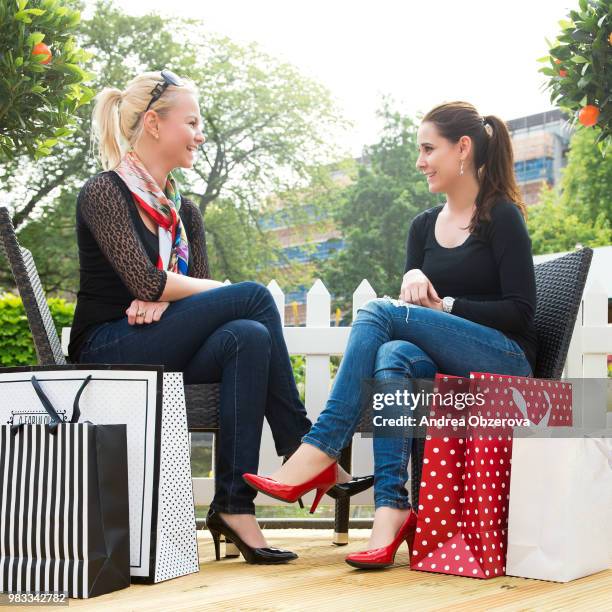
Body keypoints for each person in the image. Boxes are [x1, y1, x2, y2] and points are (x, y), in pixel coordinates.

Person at [243, 101, 537, 569]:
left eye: (428, 149)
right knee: (395, 353)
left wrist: (447, 306)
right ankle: (391, 510)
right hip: (441, 367)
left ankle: (319, 449)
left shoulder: (501, 216)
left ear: (463, 148)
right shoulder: (422, 226)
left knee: (379, 312)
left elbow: (522, 313)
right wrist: (415, 276)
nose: (420, 162)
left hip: (505, 361)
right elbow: (410, 322)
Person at [68, 69, 321, 564]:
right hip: (109, 346)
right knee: (249, 297)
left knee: (246, 333)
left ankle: (232, 505)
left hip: (161, 342)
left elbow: (197, 307)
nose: (201, 134)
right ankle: (300, 446)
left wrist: (168, 292)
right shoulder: (104, 192)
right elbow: (148, 284)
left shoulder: (184, 212)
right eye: (193, 122)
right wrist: (174, 289)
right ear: (155, 124)